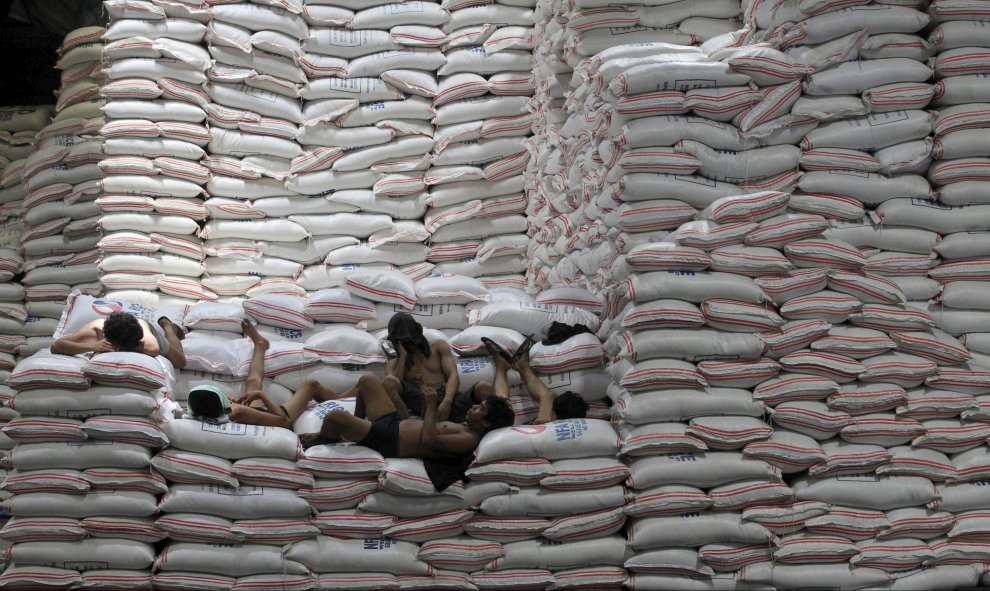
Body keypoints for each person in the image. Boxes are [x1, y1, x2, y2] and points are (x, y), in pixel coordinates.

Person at [299, 371, 515, 461]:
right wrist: (425, 400)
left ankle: (327, 437)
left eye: (480, 409)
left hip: (390, 440)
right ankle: (355, 433)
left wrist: (431, 406)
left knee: (335, 417)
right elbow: (427, 425)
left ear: (487, 423)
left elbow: (430, 439)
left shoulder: (469, 440)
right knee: (367, 380)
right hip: (394, 424)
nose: (474, 407)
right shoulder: (465, 426)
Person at [186, 319, 352, 427]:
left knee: (252, 383)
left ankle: (260, 344)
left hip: (255, 415)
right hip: (278, 417)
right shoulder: (238, 411)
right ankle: (341, 398)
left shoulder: (204, 415)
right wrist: (261, 396)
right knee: (311, 385)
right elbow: (284, 421)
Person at [482, 337, 588, 424]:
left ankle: (504, 365)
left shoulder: (544, 425)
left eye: (551, 407)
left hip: (502, 428)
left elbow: (547, 396)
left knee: (502, 406)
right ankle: (521, 367)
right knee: (503, 405)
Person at [381, 312, 460, 420]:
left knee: (482, 388)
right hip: (421, 403)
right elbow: (393, 386)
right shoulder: (393, 364)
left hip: (445, 395)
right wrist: (403, 357)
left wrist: (448, 400)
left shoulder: (438, 347)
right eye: (402, 340)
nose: (408, 343)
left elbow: (453, 375)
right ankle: (407, 423)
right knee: (389, 380)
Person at [52, 311, 187, 369]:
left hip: (143, 329)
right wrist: (93, 347)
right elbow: (57, 346)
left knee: (180, 361)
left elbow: (154, 349)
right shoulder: (96, 328)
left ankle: (168, 326)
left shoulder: (142, 330)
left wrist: (125, 347)